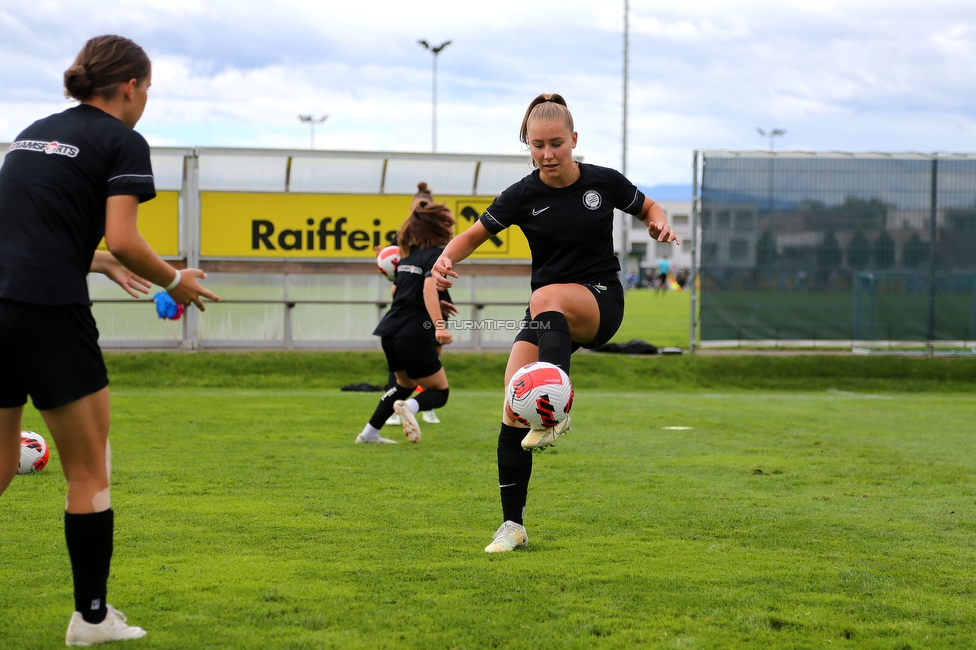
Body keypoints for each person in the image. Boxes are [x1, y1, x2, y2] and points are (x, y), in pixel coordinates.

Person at [0, 35, 219, 645]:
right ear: (129, 87)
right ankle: (91, 618)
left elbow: (33, 231)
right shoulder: (123, 138)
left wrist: (94, 263)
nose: (146, 100)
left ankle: (92, 616)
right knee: (89, 472)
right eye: (147, 89)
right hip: (50, 314)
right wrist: (177, 279)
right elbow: (125, 237)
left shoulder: (32, 132)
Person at [431, 93, 679, 553]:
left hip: (599, 302)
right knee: (511, 406)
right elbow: (470, 236)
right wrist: (444, 259)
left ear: (574, 140)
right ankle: (513, 526)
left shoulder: (601, 182)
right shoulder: (523, 194)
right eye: (537, 145)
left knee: (544, 297)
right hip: (549, 318)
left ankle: (558, 406)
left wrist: (659, 225)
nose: (547, 154)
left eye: (556, 144)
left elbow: (649, 207)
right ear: (528, 144)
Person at [355, 201, 455, 444]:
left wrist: (435, 304)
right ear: (436, 227)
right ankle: (408, 407)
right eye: (447, 223)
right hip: (414, 331)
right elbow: (428, 288)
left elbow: (396, 293)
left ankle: (368, 434)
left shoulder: (408, 254)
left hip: (390, 329)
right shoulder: (435, 255)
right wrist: (440, 327)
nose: (451, 228)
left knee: (403, 383)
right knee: (440, 392)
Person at [385, 182, 456, 426]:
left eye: (423, 206)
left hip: (433, 302)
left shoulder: (435, 244)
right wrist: (384, 264)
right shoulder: (406, 238)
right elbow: (401, 276)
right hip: (413, 308)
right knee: (405, 363)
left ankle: (427, 407)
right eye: (416, 207)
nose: (418, 211)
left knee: (432, 358)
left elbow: (430, 282)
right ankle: (405, 408)